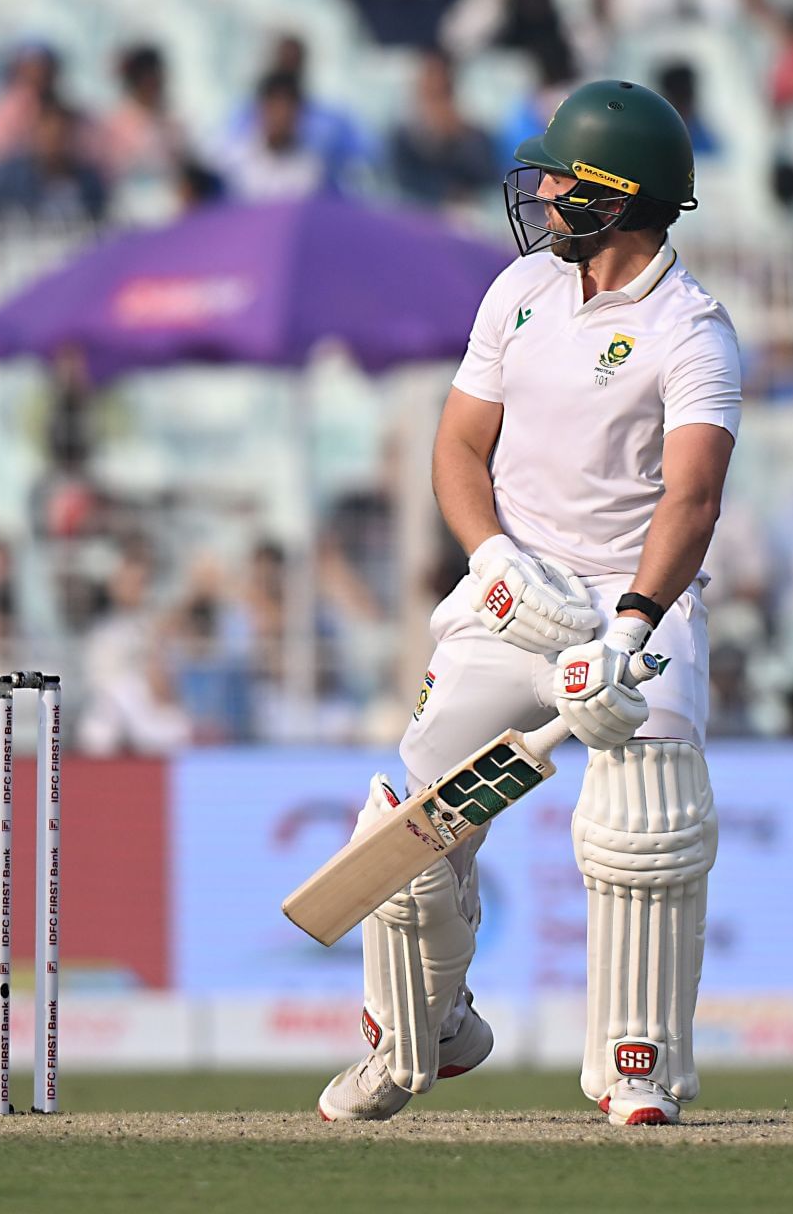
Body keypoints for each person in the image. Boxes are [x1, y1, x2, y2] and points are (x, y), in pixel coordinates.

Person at [317, 80, 740, 1128]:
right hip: (517, 588)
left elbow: (692, 495)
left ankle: (635, 1067)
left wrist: (636, 626)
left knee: (647, 821)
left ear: (619, 196)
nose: (542, 190)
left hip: (637, 604)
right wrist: (490, 551)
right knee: (405, 831)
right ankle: (424, 1032)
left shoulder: (693, 329)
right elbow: (461, 445)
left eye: (562, 175)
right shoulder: (516, 292)